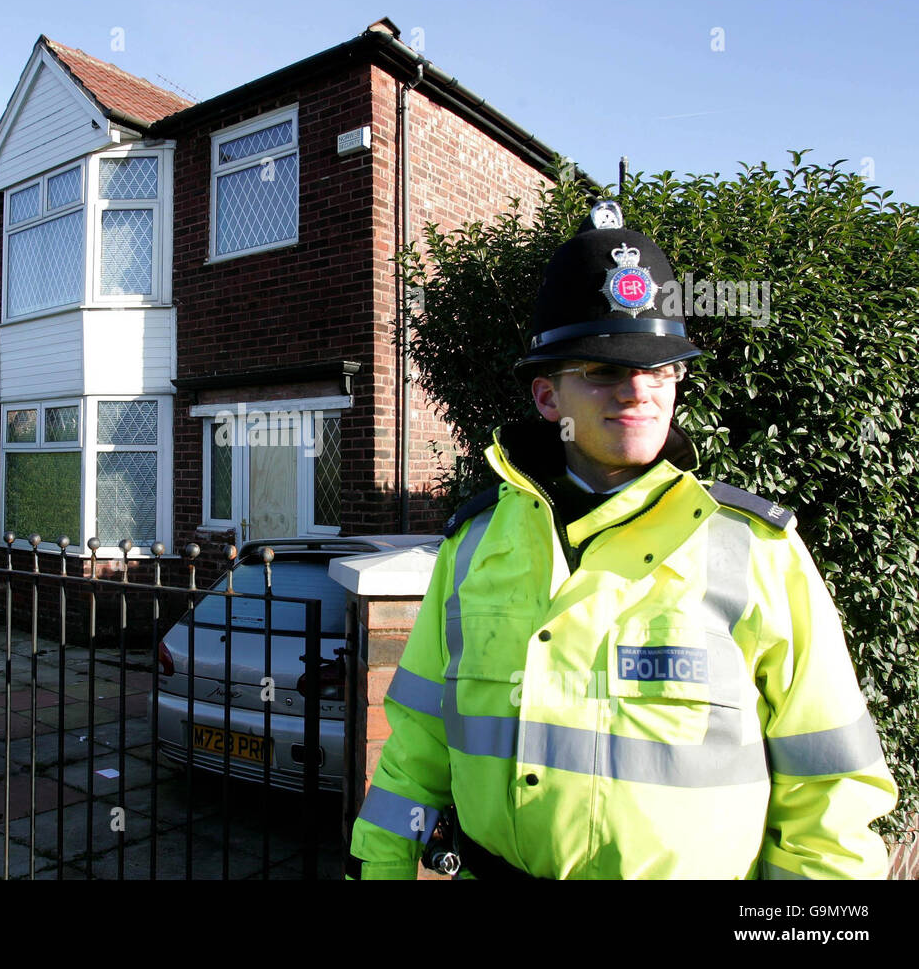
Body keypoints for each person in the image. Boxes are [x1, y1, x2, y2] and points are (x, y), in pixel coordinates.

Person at [347, 202, 898, 879]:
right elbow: (416, 753)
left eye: (661, 369)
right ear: (548, 399)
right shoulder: (475, 545)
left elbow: (830, 800)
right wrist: (380, 869)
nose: (638, 391)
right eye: (604, 372)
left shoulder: (757, 551)